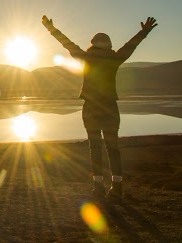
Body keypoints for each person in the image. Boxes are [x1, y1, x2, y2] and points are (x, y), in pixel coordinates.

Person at [42, 15, 157, 200]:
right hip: (110, 108)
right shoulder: (115, 58)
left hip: (91, 109)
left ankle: (98, 186)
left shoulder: (86, 57)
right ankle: (117, 186)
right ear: (109, 45)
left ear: (93, 43)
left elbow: (67, 43)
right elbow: (131, 46)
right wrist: (144, 31)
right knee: (113, 147)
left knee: (94, 147)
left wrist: (51, 29)